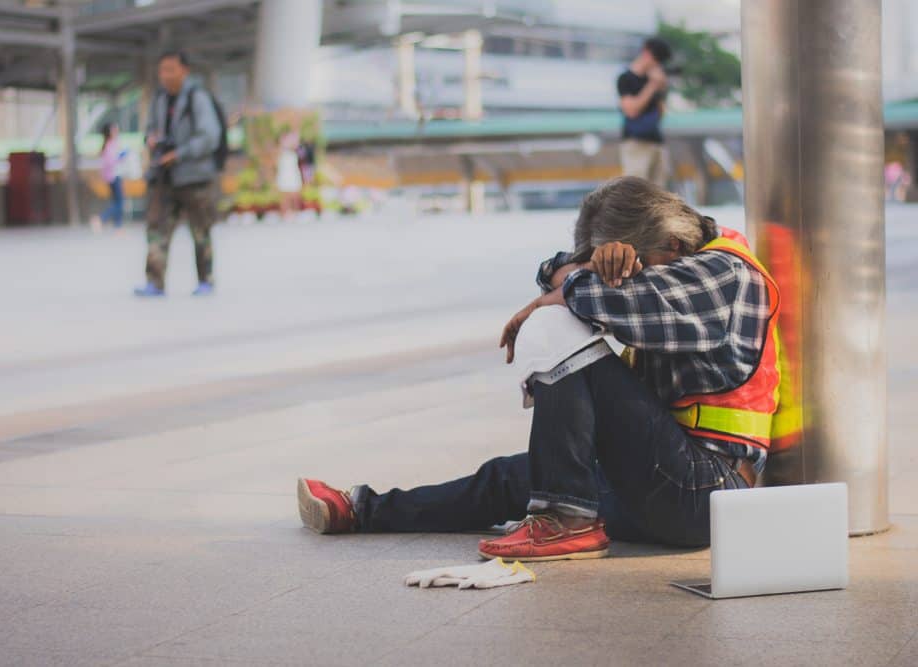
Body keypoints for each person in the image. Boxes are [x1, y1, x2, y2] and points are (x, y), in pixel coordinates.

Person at [297, 176, 781, 560]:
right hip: (665, 482)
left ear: (673, 247)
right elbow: (563, 271)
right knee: (508, 479)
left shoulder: (722, 276)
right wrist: (578, 271)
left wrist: (559, 291)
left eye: (636, 268)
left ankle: (565, 522)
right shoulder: (678, 257)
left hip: (707, 492)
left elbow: (595, 299)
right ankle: (362, 509)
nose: (630, 278)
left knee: (554, 324)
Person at [134, 50, 222, 297]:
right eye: (162, 70)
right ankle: (155, 281)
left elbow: (210, 136)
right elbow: (149, 129)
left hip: (194, 177)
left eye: (170, 69)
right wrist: (151, 140)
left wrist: (180, 153)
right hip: (164, 177)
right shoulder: (159, 99)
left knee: (200, 231)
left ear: (185, 70)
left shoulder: (198, 98)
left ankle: (206, 279)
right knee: (157, 229)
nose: (165, 75)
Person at [617, 38, 672, 187]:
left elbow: (661, 113)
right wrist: (652, 85)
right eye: (657, 59)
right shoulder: (626, 78)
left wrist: (661, 89)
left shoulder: (656, 79)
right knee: (636, 190)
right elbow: (631, 110)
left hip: (656, 141)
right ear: (646, 53)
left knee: (659, 192)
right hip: (636, 141)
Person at [90, 122, 126, 233]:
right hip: (114, 176)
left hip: (110, 177)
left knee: (117, 201)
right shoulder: (111, 145)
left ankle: (118, 226)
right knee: (119, 203)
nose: (116, 131)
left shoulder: (108, 144)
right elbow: (111, 161)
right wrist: (122, 156)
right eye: (114, 129)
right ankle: (101, 218)